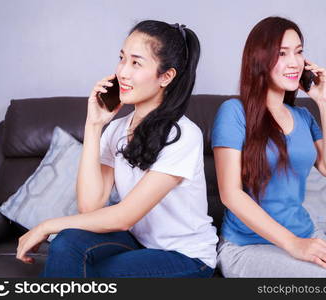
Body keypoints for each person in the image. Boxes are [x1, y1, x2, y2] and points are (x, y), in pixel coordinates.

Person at [16, 20, 218, 278]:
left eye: (136, 63)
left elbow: (123, 217)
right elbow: (90, 205)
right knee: (66, 243)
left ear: (166, 76)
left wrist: (46, 226)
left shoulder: (183, 135)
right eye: (122, 59)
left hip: (186, 257)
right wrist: (94, 124)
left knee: (97, 273)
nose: (122, 72)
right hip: (137, 241)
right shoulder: (116, 130)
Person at [211, 16, 326, 278]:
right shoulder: (233, 112)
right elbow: (230, 194)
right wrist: (294, 245)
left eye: (299, 52)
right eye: (282, 53)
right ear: (259, 59)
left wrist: (324, 101)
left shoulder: (303, 118)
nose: (294, 62)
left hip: (307, 234)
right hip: (248, 245)